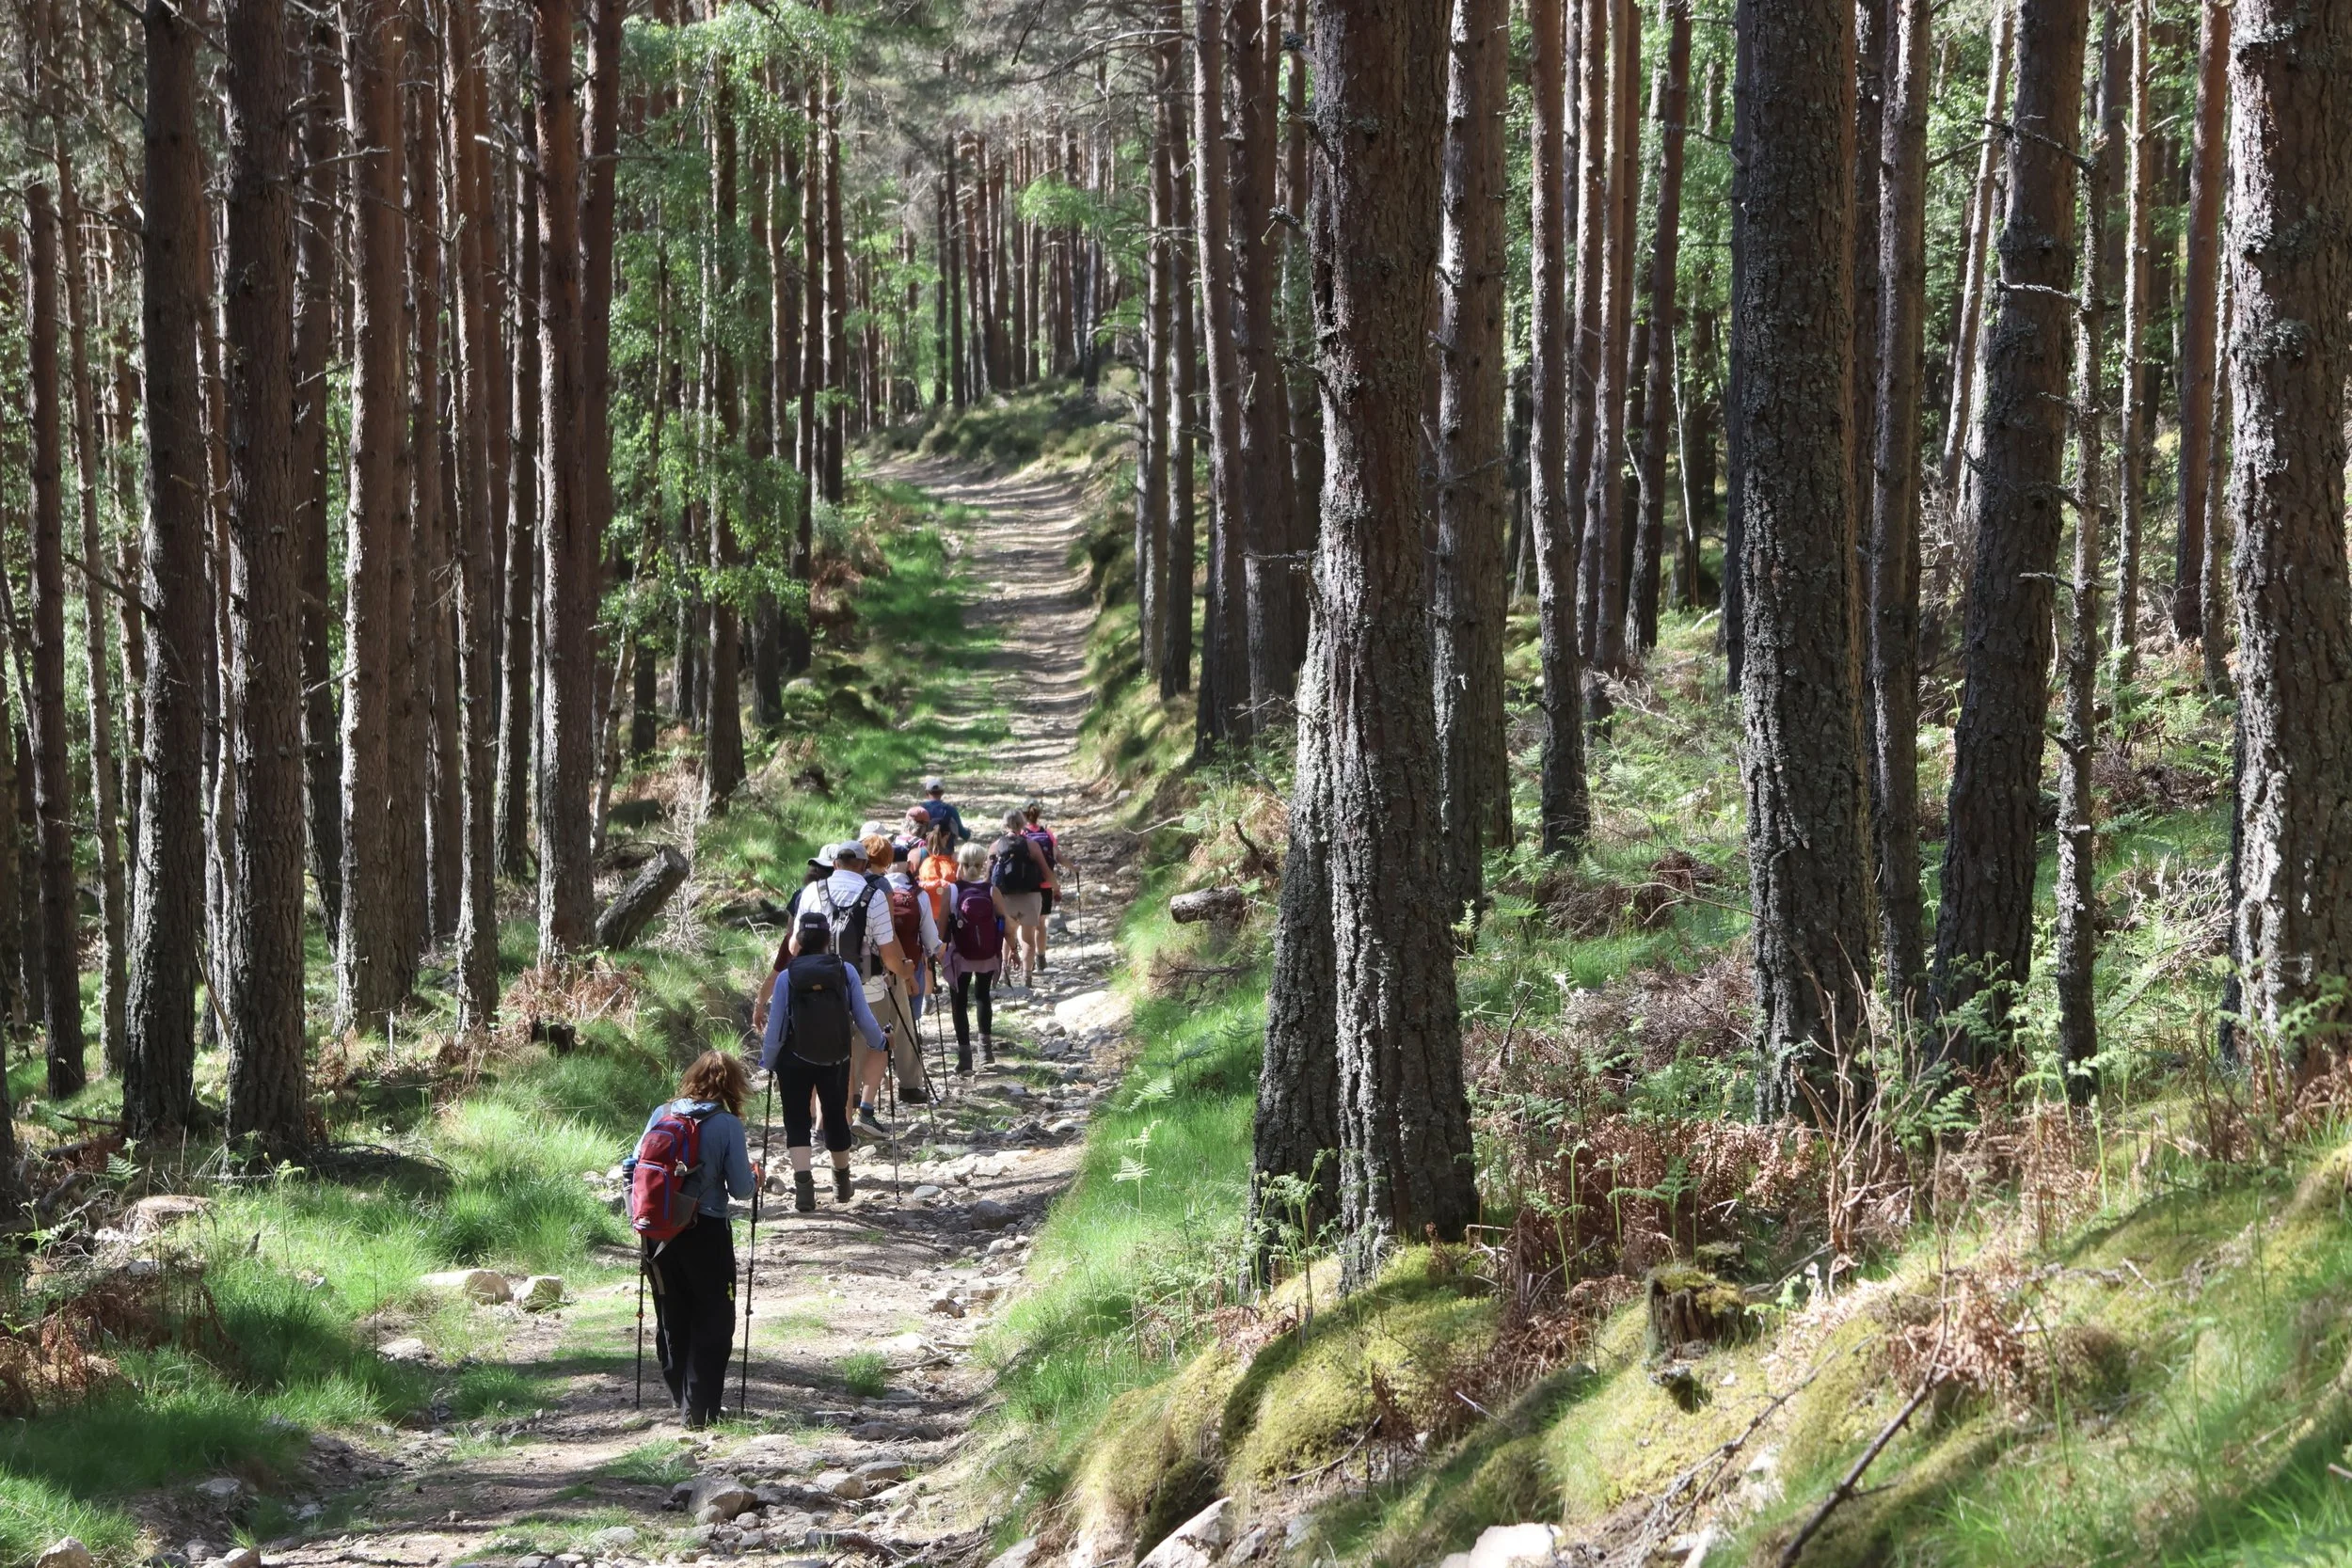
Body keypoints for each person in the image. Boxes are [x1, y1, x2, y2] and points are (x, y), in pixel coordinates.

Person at [635, 1051, 759, 1430]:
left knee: (672, 1315)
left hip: (658, 1233)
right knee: (714, 1318)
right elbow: (740, 1189)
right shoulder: (726, 1126)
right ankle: (700, 1410)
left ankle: (683, 1399)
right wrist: (757, 1177)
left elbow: (632, 1165)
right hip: (705, 1230)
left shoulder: (662, 1113)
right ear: (733, 1086)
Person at [761, 914, 885, 1212]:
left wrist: (768, 1060)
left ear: (799, 941)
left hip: (793, 1059)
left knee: (797, 1120)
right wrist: (879, 1042)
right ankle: (841, 1183)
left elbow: (776, 1026)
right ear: (828, 940)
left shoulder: (786, 977)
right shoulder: (845, 971)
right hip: (836, 1056)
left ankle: (804, 1190)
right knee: (834, 1114)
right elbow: (863, 1017)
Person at [789, 840, 914, 1133]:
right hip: (866, 987)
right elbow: (889, 955)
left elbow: (795, 945)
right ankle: (864, 1110)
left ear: (835, 864)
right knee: (881, 1041)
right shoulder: (874, 896)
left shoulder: (812, 892)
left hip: (819, 989)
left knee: (828, 1053)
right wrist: (906, 970)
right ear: (864, 866)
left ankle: (826, 1122)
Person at [946, 841, 1007, 1070]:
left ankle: (964, 1057)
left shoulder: (952, 890)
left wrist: (937, 952)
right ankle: (985, 1051)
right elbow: (1005, 922)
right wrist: (1010, 948)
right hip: (987, 954)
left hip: (960, 954)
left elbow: (942, 927)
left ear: (960, 864)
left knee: (959, 1002)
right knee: (983, 996)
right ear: (983, 865)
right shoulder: (991, 890)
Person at [882, 838, 943, 1025]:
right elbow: (930, 937)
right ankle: (913, 1045)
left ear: (885, 866)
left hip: (881, 966)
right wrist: (933, 953)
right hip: (911, 963)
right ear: (908, 865)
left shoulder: (875, 892)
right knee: (910, 1017)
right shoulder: (919, 895)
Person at [989, 808, 1051, 989]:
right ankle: (1026, 976)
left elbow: (988, 876)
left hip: (1004, 898)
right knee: (1028, 938)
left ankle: (1004, 972)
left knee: (1006, 935)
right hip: (1030, 897)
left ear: (1004, 824)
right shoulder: (1031, 845)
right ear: (1023, 824)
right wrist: (1054, 886)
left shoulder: (995, 846)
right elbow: (1046, 872)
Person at [1021, 799, 1062, 972]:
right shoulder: (1048, 833)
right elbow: (1056, 856)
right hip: (1045, 885)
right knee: (1041, 924)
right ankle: (1041, 958)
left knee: (1026, 926)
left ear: (1024, 815)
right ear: (1039, 814)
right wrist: (1057, 886)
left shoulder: (1021, 835)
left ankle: (1025, 966)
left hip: (1027, 886)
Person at [915, 777, 970, 844]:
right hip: (946, 850)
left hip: (925, 848)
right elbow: (962, 833)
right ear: (942, 793)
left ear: (926, 793)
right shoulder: (950, 809)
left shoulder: (920, 809)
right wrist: (968, 833)